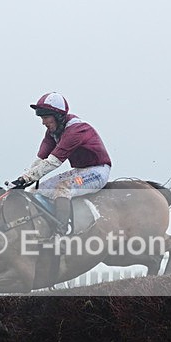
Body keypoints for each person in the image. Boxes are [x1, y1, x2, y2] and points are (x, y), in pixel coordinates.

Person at [8, 92, 111, 235]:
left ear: (58, 116)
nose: (43, 122)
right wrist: (23, 180)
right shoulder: (52, 132)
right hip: (80, 170)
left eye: (45, 118)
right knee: (35, 192)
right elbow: (41, 160)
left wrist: (26, 179)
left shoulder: (76, 130)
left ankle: (62, 232)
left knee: (63, 188)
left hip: (97, 171)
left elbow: (53, 162)